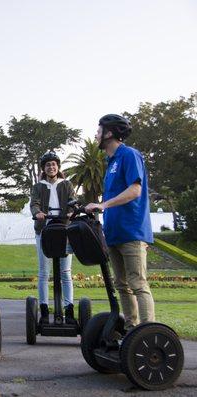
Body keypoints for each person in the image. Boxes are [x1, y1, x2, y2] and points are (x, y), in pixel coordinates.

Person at [85, 114, 155, 330]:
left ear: (109, 133)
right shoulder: (110, 161)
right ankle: (131, 329)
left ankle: (148, 332)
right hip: (114, 233)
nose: (96, 134)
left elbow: (135, 190)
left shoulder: (129, 155)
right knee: (121, 285)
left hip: (132, 231)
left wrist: (104, 205)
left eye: (98, 130)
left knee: (138, 283)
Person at [30, 151, 77, 324]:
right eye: (48, 164)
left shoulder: (66, 184)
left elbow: (73, 200)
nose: (51, 167)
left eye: (54, 164)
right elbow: (34, 203)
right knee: (44, 272)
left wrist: (72, 211)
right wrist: (38, 213)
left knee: (65, 272)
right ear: (44, 168)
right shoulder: (38, 186)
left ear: (58, 167)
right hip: (44, 229)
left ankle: (69, 310)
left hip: (64, 229)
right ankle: (43, 310)